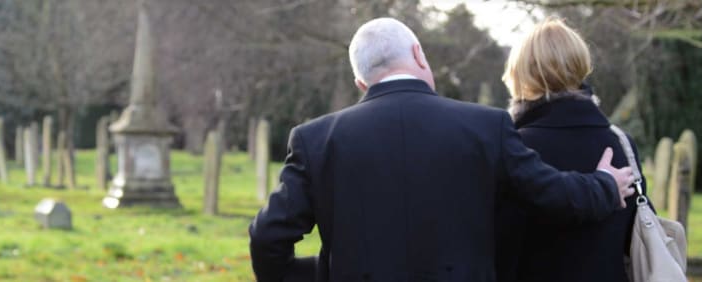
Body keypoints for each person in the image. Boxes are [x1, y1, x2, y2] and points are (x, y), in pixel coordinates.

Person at [248, 17, 636, 281]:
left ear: (360, 81)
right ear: (419, 54)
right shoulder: (486, 126)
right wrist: (603, 184)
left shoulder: (315, 139)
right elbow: (550, 193)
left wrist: (325, 273)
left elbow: (268, 238)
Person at [493, 18, 646, 282]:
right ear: (580, 67)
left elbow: (500, 245)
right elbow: (634, 230)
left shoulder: (514, 147)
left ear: (520, 74)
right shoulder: (621, 143)